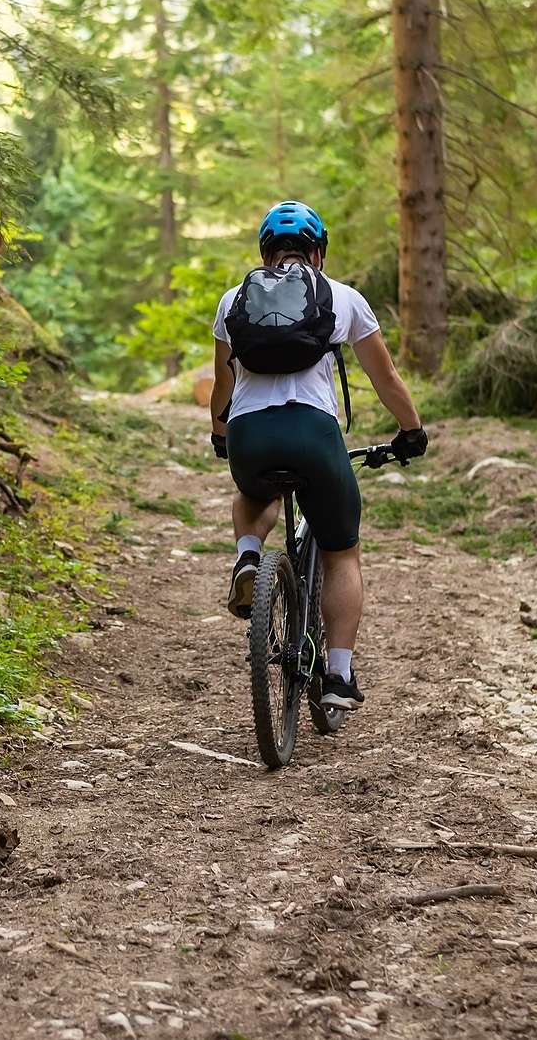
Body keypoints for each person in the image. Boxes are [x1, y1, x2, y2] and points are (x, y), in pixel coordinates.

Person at [209, 201, 427, 711]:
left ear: (264, 253)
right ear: (318, 252)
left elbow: (224, 383)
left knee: (253, 491)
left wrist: (222, 434)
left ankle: (247, 558)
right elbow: (386, 379)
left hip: (250, 432)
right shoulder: (344, 298)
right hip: (313, 433)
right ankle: (338, 675)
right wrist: (411, 430)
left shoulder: (231, 301)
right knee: (340, 551)